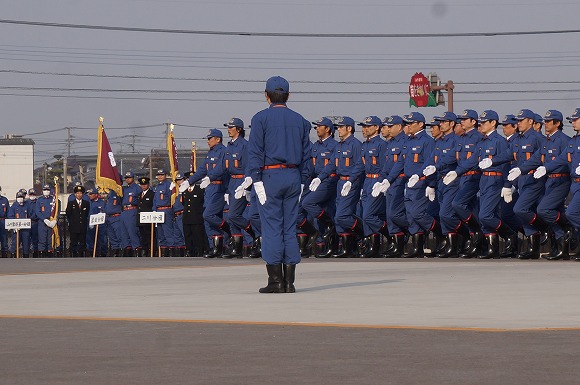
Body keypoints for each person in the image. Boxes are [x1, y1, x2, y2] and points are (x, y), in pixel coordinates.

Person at [246, 76, 310, 293]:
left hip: (271, 176)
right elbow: (307, 154)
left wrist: (255, 180)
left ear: (266, 95)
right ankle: (290, 282)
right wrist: (303, 180)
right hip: (293, 176)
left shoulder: (260, 119)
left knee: (272, 227)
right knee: (289, 228)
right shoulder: (301, 120)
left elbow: (255, 151)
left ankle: (276, 281)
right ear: (288, 95)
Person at [534, 108, 580, 261]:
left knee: (569, 213)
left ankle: (569, 230)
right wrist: (545, 168)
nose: (573, 122)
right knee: (562, 213)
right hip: (570, 183)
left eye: (575, 119)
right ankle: (564, 247)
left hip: (564, 181)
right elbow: (561, 159)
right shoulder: (573, 141)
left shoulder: (565, 139)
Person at [180, 128, 231, 258]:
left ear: (218, 139)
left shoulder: (223, 152)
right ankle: (217, 247)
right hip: (209, 188)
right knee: (210, 221)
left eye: (210, 138)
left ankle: (228, 229)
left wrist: (211, 177)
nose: (208, 141)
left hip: (219, 187)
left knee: (208, 215)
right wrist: (189, 182)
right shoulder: (210, 153)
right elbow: (202, 170)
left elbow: (222, 168)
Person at [507, 109, 549, 259]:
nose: (518, 123)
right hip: (522, 179)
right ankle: (533, 248)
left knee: (521, 209)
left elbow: (544, 157)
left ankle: (544, 228)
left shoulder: (538, 138)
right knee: (524, 213)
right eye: (517, 121)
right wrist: (510, 182)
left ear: (530, 121)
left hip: (535, 178)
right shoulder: (517, 140)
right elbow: (511, 159)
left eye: (521, 120)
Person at [475, 110, 517, 259]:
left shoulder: (499, 141)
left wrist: (507, 184)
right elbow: (475, 161)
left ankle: (509, 234)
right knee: (486, 217)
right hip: (484, 179)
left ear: (493, 123)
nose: (481, 125)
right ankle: (493, 249)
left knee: (485, 215)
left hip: (495, 179)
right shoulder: (483, 141)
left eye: (484, 122)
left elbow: (507, 160)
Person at [402, 112, 443, 258]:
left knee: (418, 213)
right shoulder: (408, 141)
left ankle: (440, 233)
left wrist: (430, 184)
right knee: (411, 216)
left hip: (421, 182)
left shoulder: (427, 141)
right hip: (409, 183)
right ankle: (417, 247)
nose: (408, 126)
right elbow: (402, 163)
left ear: (420, 124)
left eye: (411, 123)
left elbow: (429, 164)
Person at [373, 115, 409, 257]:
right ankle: (396, 244)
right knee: (389, 214)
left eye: (389, 126)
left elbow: (401, 165)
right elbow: (386, 166)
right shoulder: (390, 143)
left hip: (400, 180)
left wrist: (389, 179)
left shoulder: (405, 142)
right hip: (390, 181)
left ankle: (411, 230)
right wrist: (381, 180)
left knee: (395, 213)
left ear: (399, 127)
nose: (386, 129)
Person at [304, 117, 339, 258]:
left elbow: (334, 165)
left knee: (309, 203)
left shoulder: (334, 146)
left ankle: (330, 225)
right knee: (318, 215)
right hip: (315, 181)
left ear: (328, 129)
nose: (317, 129)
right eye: (316, 126)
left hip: (329, 181)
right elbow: (310, 167)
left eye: (320, 126)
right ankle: (323, 246)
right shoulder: (315, 146)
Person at [224, 117, 257, 258]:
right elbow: (224, 168)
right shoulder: (229, 146)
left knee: (233, 215)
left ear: (239, 130)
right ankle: (237, 249)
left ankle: (255, 234)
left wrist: (246, 185)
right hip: (232, 182)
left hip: (241, 181)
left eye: (231, 127)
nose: (228, 129)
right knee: (232, 219)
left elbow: (250, 165)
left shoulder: (245, 145)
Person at [357, 116, 388, 258]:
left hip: (377, 181)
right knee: (365, 214)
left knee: (369, 215)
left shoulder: (381, 145)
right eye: (364, 126)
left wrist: (381, 182)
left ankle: (390, 234)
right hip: (367, 181)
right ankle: (373, 245)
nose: (365, 129)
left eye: (368, 126)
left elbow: (384, 166)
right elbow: (361, 166)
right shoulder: (365, 145)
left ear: (377, 128)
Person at [181, 172, 208, 257]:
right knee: (188, 235)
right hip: (187, 217)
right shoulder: (184, 190)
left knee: (198, 235)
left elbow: (202, 203)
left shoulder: (200, 189)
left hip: (196, 217)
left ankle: (200, 251)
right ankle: (189, 251)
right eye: (188, 178)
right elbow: (184, 203)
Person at [152, 169, 175, 257]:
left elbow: (171, 198)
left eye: (162, 175)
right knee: (160, 232)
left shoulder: (169, 185)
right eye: (158, 175)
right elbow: (155, 200)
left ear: (165, 175)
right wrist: (154, 209)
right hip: (158, 210)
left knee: (168, 231)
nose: (160, 176)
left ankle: (171, 250)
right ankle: (163, 251)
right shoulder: (157, 187)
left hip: (166, 210)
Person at [121, 171, 141, 257]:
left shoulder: (137, 188)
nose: (128, 179)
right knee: (124, 232)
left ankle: (137, 249)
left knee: (132, 231)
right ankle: (127, 249)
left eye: (129, 177)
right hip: (124, 210)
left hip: (132, 209)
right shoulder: (124, 189)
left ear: (133, 178)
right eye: (126, 178)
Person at [66, 184, 90, 257]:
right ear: (75, 194)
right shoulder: (71, 203)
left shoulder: (86, 203)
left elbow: (86, 213)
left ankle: (81, 254)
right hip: (74, 226)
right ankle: (73, 254)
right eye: (77, 193)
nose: (79, 195)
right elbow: (68, 214)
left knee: (82, 242)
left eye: (80, 193)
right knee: (74, 242)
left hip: (82, 226)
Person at [8, 190, 32, 258]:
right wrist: (14, 226)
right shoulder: (13, 206)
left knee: (26, 243)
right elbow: (10, 216)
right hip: (17, 229)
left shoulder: (27, 206)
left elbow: (30, 215)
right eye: (18, 197)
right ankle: (13, 255)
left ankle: (26, 256)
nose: (20, 198)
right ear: (16, 198)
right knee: (15, 243)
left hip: (25, 229)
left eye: (21, 197)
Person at [35, 184, 57, 257]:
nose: (46, 191)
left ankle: (50, 253)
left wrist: (55, 220)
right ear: (42, 191)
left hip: (52, 222)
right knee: (42, 239)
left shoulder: (54, 199)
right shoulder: (39, 200)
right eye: (45, 190)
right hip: (42, 222)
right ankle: (41, 254)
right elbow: (38, 211)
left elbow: (57, 210)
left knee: (50, 240)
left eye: (48, 190)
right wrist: (44, 219)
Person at [86, 188, 108, 257]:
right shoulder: (88, 202)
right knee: (90, 239)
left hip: (100, 224)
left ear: (96, 195)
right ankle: (92, 253)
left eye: (91, 194)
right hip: (91, 224)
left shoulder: (102, 202)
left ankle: (103, 253)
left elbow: (105, 212)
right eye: (89, 194)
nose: (90, 196)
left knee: (102, 240)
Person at [137, 176, 155, 257]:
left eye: (145, 184)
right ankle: (145, 250)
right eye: (142, 184)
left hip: (148, 219)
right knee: (143, 236)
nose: (143, 186)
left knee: (149, 236)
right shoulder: (139, 194)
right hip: (141, 218)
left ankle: (151, 250)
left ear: (148, 185)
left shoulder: (152, 194)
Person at [0, 186, 8, 258]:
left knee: (4, 239)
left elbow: (8, 212)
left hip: (3, 221)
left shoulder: (4, 200)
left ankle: (4, 254)